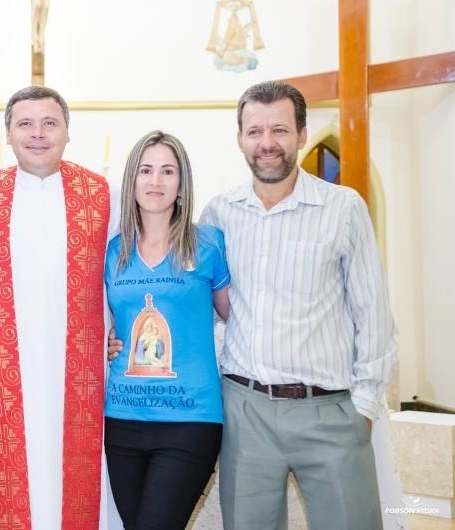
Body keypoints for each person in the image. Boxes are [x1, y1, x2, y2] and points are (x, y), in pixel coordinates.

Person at [200, 80, 397, 529]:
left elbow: (374, 314)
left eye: (279, 130)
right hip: (245, 412)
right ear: (239, 140)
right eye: (254, 132)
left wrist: (363, 407)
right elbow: (203, 307)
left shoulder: (343, 208)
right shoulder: (219, 214)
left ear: (302, 135)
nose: (267, 143)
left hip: (328, 412)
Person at [0, 86, 120, 529]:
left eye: (50, 123)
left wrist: (120, 330)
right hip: (2, 372)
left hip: (83, 371)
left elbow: (124, 273)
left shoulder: (102, 195)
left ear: (68, 132)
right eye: (25, 124)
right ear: (8, 134)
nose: (38, 134)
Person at [104, 131, 230, 530]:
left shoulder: (207, 244)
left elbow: (236, 320)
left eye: (167, 171)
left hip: (189, 420)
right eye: (145, 170)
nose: (155, 181)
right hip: (121, 419)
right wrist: (107, 343)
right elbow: (99, 321)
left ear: (181, 183)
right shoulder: (112, 251)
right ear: (132, 180)